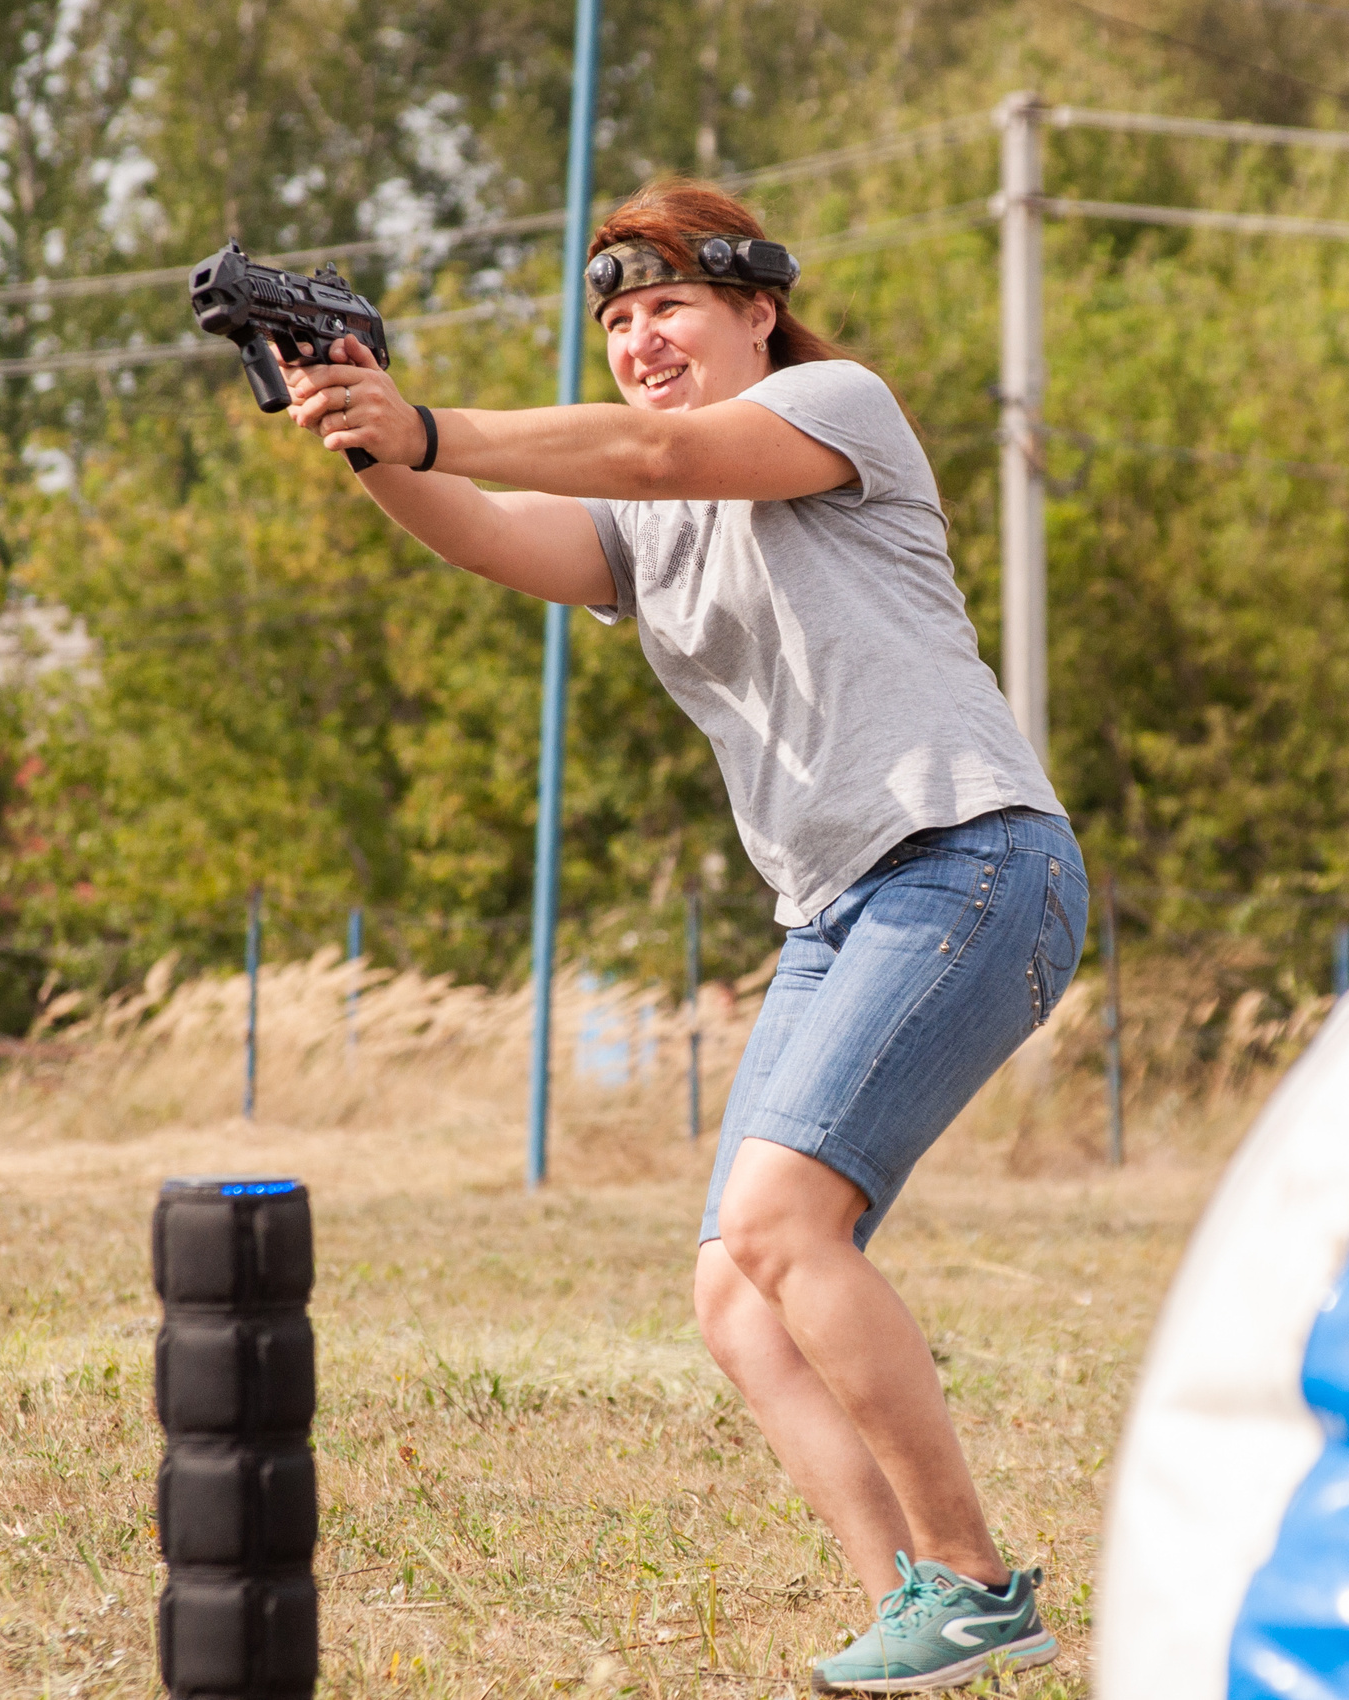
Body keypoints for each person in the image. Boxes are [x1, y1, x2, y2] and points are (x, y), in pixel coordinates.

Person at [277, 178, 1088, 1693]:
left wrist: (432, 415)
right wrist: (362, 433)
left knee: (785, 1228)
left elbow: (659, 450)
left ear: (757, 312)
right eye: (622, 319)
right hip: (837, 907)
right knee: (734, 1288)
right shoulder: (644, 529)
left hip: (968, 861)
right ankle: (921, 1606)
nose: (642, 339)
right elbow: (484, 528)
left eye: (671, 308)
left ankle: (981, 1581)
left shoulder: (835, 407)